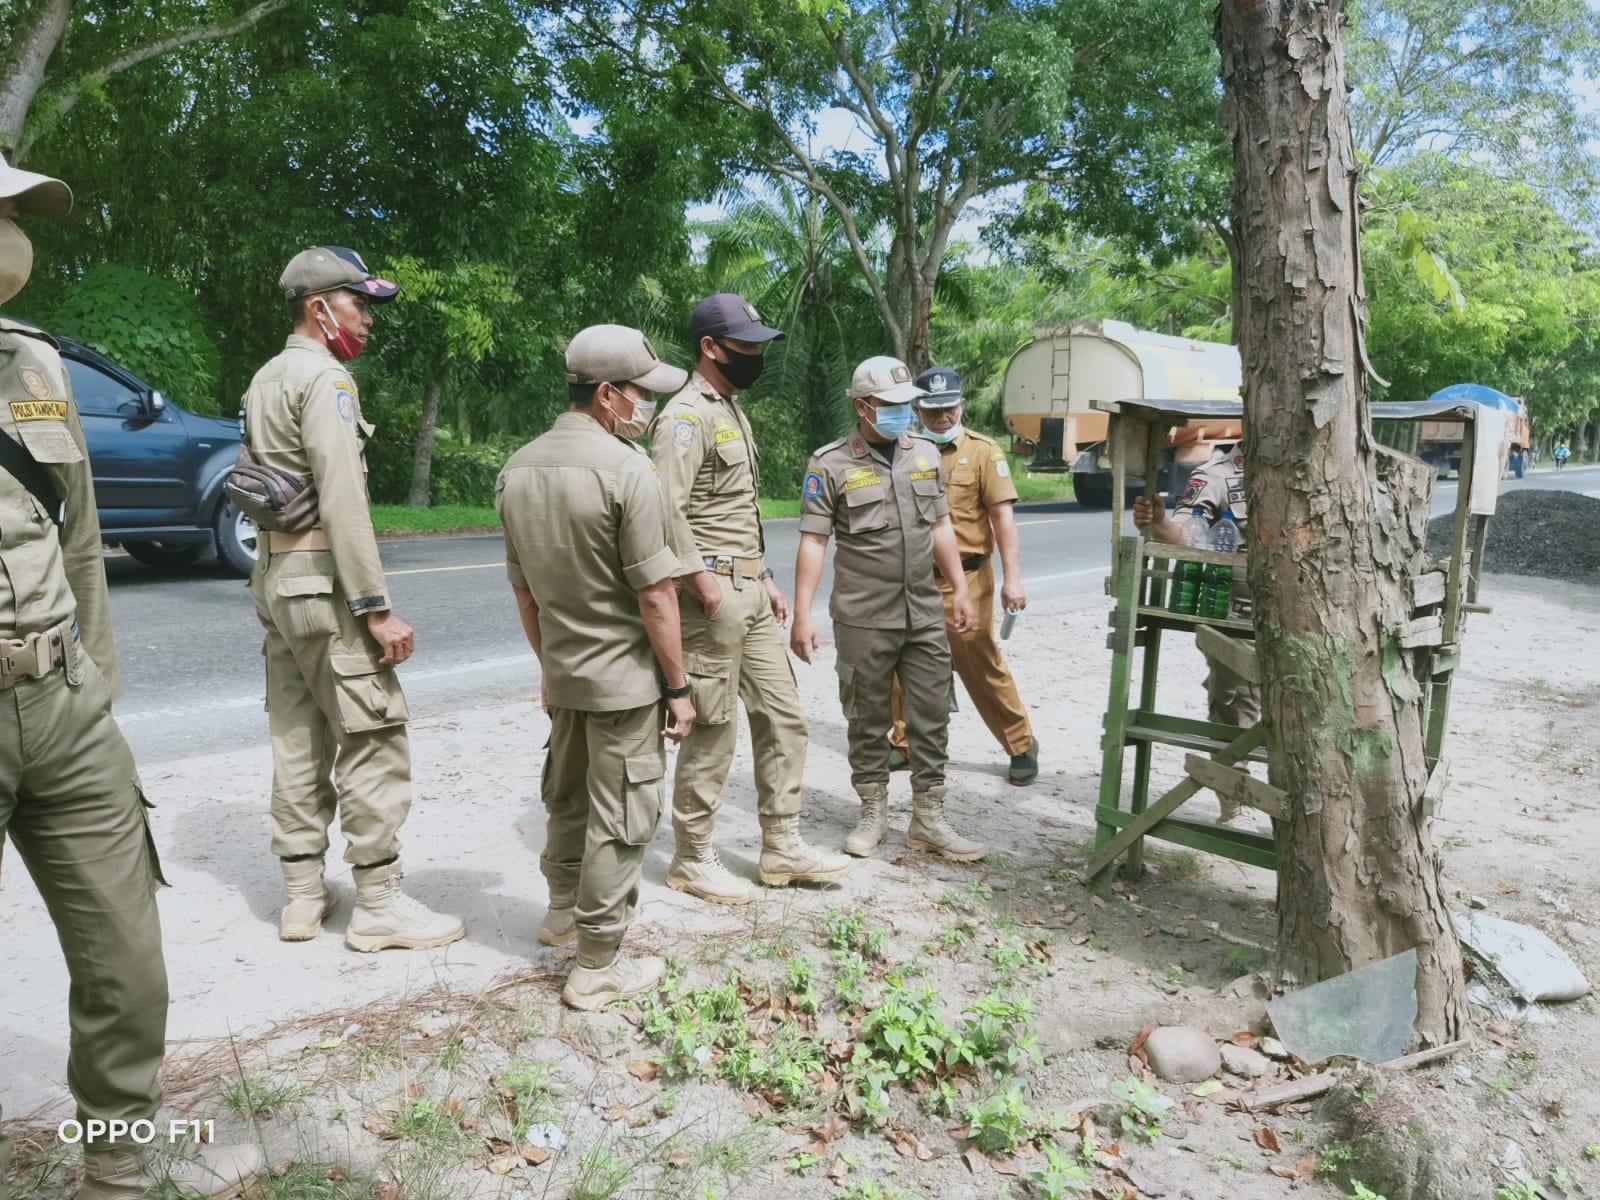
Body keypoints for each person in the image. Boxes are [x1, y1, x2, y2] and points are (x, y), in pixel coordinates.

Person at [0, 155, 262, 1198]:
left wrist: (93, 687)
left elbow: (75, 530)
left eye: (17, 214)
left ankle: (116, 1166)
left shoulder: (31, 369)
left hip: (59, 706)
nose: (17, 233)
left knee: (128, 968)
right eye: (3, 210)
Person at [244, 246, 464, 952]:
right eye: (358, 304)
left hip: (276, 582)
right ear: (320, 308)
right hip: (328, 590)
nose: (367, 319)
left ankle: (303, 899)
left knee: (297, 737)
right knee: (372, 737)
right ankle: (378, 903)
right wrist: (375, 606)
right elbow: (342, 499)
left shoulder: (265, 377)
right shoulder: (327, 380)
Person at [496, 324, 693, 1010]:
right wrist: (678, 686)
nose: (650, 408)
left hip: (568, 675)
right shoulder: (626, 470)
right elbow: (656, 595)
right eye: (641, 395)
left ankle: (561, 916)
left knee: (569, 797)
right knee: (621, 816)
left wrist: (550, 664)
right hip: (625, 681)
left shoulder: (517, 467)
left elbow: (525, 591)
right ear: (606, 394)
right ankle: (598, 964)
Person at [647, 293, 849, 904]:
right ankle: (692, 856)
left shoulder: (730, 408)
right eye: (747, 347)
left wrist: (761, 577)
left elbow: (735, 507)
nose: (757, 356)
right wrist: (701, 581)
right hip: (710, 595)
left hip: (748, 591)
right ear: (711, 348)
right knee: (713, 726)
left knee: (783, 716)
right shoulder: (686, 415)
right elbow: (666, 508)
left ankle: (781, 845)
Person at [791, 355, 986, 862]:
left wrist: (960, 589)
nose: (905, 414)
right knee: (866, 716)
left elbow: (941, 526)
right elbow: (813, 541)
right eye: (892, 406)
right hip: (862, 617)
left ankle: (929, 817)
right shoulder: (830, 463)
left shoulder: (923, 453)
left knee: (932, 712)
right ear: (863, 406)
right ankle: (873, 811)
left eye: (908, 405)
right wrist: (803, 614)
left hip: (922, 611)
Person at [887, 366, 1038, 785]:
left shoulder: (984, 452)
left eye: (949, 409)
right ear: (917, 409)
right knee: (904, 660)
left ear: (961, 406)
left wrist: (1014, 579)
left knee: (978, 661)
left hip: (969, 578)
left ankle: (1020, 742)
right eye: (932, 412)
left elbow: (1003, 518)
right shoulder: (902, 451)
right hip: (913, 577)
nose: (942, 419)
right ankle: (904, 743)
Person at [1131, 442, 1258, 823]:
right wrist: (1160, 523)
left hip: (1309, 614)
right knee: (1237, 703)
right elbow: (1189, 532)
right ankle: (1233, 790)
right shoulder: (1216, 475)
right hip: (1238, 619)